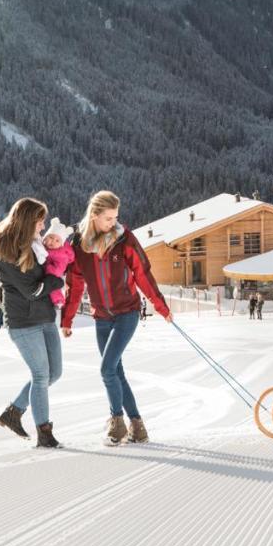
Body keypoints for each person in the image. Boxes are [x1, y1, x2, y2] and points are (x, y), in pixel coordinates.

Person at [63, 190, 172, 446]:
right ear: (94, 216)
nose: (113, 223)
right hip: (101, 317)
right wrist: (67, 319)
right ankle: (138, 426)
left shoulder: (125, 240)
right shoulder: (79, 245)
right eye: (108, 218)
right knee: (116, 372)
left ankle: (117, 423)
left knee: (107, 369)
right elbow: (75, 283)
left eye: (115, 218)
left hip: (127, 313)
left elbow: (143, 274)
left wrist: (161, 306)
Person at [0, 197, 65, 449]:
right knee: (41, 374)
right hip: (23, 322)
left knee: (54, 373)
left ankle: (14, 412)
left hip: (45, 317)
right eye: (40, 221)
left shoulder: (36, 246)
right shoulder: (6, 253)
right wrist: (58, 282)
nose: (43, 227)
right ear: (27, 221)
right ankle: (44, 432)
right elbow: (32, 290)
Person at [38, 218, 76, 309]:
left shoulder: (61, 255)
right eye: (51, 237)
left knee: (54, 288)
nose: (53, 242)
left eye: (57, 241)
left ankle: (58, 301)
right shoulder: (43, 247)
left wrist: (46, 267)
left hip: (55, 275)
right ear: (45, 237)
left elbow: (58, 271)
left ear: (61, 244)